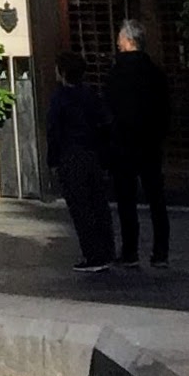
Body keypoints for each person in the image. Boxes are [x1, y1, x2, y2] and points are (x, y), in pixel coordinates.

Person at [106, 21, 172, 272]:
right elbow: (165, 108)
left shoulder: (116, 72)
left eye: (120, 38)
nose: (117, 42)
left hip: (124, 144)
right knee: (156, 198)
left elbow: (109, 107)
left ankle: (130, 250)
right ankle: (161, 252)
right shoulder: (155, 72)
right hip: (150, 143)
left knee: (126, 200)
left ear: (127, 41)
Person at [47, 53, 115, 271]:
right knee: (98, 204)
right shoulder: (90, 94)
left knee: (80, 207)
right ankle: (107, 250)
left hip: (71, 156)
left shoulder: (59, 98)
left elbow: (53, 131)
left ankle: (93, 255)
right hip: (92, 154)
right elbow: (103, 123)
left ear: (63, 72)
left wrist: (53, 160)